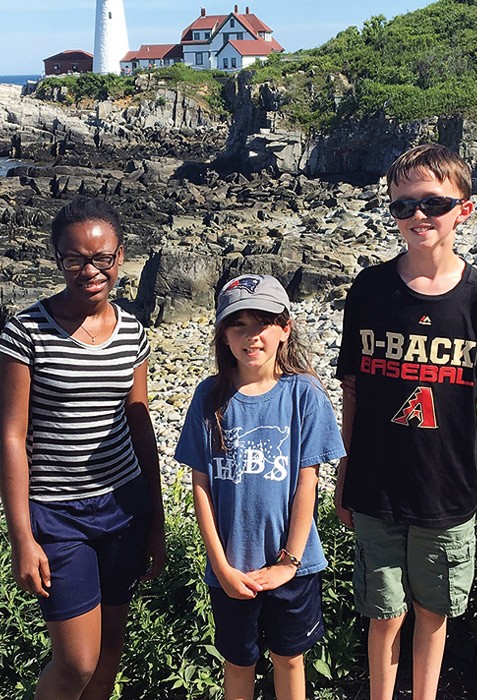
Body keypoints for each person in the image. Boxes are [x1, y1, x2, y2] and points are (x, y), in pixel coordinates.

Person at [334, 143, 477, 699]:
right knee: (383, 611)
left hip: (447, 482)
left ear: (465, 209)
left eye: (433, 204)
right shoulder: (369, 289)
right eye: (403, 206)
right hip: (375, 479)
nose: (418, 217)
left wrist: (432, 392)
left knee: (432, 610)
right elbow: (354, 386)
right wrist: (345, 471)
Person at [0, 196, 166, 700]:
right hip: (57, 515)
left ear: (120, 257)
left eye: (102, 259)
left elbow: (140, 427)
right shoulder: (26, 332)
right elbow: (12, 438)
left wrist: (155, 522)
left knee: (111, 647)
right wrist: (21, 537)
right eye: (75, 259)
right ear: (58, 259)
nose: (90, 271)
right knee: (76, 661)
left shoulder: (134, 332)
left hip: (123, 506)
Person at [175, 274, 346, 700]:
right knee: (238, 663)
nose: (251, 337)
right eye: (239, 325)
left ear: (285, 328)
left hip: (294, 565)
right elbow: (201, 486)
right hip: (232, 569)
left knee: (289, 658)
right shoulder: (209, 396)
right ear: (224, 336)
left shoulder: (304, 394)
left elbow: (309, 482)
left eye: (263, 323)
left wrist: (288, 561)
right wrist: (220, 566)